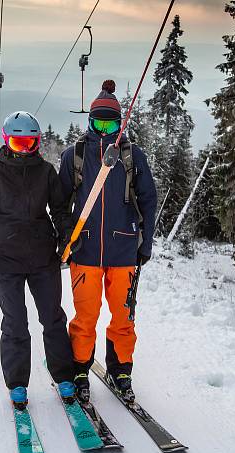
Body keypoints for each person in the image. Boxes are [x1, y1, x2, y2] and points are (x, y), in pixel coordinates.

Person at [58, 80, 158, 403]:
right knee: (85, 317)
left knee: (123, 317)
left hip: (124, 251)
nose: (103, 129)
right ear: (89, 120)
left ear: (119, 123)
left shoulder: (132, 157)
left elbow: (148, 200)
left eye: (109, 123)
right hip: (84, 251)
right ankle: (80, 370)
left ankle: (121, 371)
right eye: (97, 122)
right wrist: (64, 237)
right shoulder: (75, 155)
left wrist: (146, 243)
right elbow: (60, 202)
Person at [0, 111, 77, 409]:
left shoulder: (45, 172)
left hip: (44, 258)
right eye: (18, 144)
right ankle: (17, 383)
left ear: (37, 142)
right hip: (7, 260)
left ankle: (64, 377)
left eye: (30, 143)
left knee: (53, 318)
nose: (25, 149)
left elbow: (58, 209)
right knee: (16, 323)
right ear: (7, 142)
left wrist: (65, 236)